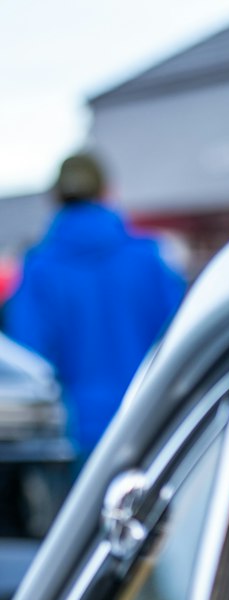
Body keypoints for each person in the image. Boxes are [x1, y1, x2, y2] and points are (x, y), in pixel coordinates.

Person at [5, 151, 185, 464]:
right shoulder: (150, 259)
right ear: (107, 192)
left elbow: (30, 364)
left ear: (55, 199)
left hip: (75, 439)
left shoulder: (38, 270)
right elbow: (181, 339)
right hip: (151, 422)